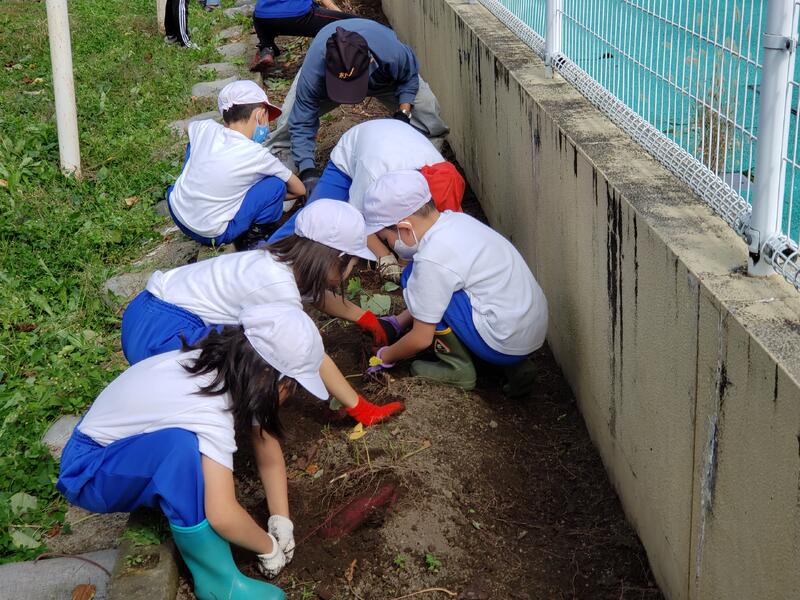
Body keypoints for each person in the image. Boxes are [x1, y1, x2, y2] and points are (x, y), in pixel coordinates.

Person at [58, 303, 326, 600]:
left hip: (114, 451)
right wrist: (268, 546)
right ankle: (220, 583)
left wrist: (281, 519)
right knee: (180, 449)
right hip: (88, 471)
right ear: (268, 375)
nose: (290, 396)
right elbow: (222, 515)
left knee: (188, 451)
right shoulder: (210, 408)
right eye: (292, 386)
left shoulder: (220, 365)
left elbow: (266, 446)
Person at [122, 200, 404, 426]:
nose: (353, 269)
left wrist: (367, 320)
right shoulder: (276, 287)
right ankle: (218, 427)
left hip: (144, 313)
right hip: (164, 331)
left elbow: (319, 298)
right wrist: (360, 407)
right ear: (336, 259)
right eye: (353, 262)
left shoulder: (277, 263)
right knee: (266, 355)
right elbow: (310, 351)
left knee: (260, 347)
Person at [361, 171, 548, 398]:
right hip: (527, 332)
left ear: (405, 228)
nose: (390, 245)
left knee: (414, 275)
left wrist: (385, 356)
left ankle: (457, 368)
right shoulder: (457, 221)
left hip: (500, 340)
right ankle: (516, 368)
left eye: (386, 238)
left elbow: (421, 339)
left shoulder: (432, 259)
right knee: (442, 284)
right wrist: (399, 323)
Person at [267, 118, 465, 282]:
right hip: (354, 155)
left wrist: (408, 259)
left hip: (394, 143)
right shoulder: (372, 175)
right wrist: (384, 255)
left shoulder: (445, 185)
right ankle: (267, 254)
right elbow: (357, 219)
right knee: (316, 217)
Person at [265, 19, 449, 184]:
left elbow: (408, 76)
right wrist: (308, 172)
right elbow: (302, 120)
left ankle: (428, 167)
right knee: (289, 120)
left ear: (370, 61)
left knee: (427, 110)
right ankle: (281, 174)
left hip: (382, 80)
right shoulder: (314, 72)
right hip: (327, 86)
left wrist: (404, 112)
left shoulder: (391, 53)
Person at [167, 80, 305, 250]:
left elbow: (188, 128)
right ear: (260, 115)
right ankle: (253, 239)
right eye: (267, 118)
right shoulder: (257, 155)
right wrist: (274, 197)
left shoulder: (205, 127)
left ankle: (195, 193)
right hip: (213, 233)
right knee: (276, 185)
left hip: (177, 211)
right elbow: (300, 190)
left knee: (195, 144)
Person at [250, 0, 358, 72]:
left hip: (263, 17)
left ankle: (267, 50)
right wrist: (339, 13)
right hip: (298, 16)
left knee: (258, 14)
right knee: (352, 21)